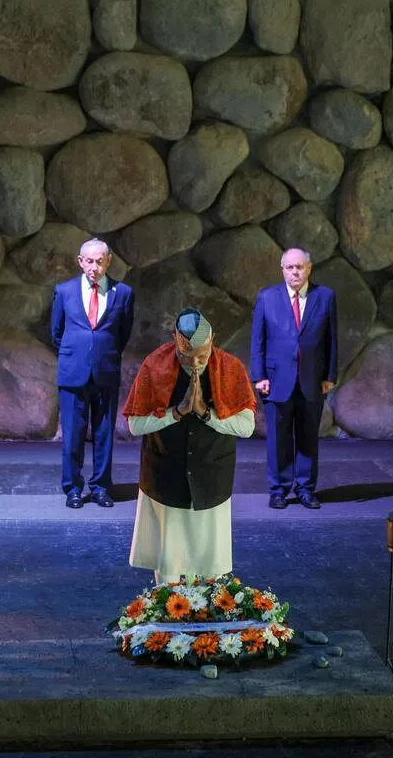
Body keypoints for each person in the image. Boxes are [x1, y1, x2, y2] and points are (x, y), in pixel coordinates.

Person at [122, 309, 257, 584]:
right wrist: (177, 412)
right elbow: (135, 426)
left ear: (213, 341)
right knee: (169, 561)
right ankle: (166, 617)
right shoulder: (154, 366)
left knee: (210, 562)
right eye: (186, 356)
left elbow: (247, 427)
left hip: (212, 475)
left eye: (202, 356)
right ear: (175, 340)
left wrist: (207, 414)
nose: (194, 364)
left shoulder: (231, 369)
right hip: (165, 476)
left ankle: (208, 619)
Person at [250, 247, 338, 510]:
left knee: (308, 437)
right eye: (290, 267)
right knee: (278, 439)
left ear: (309, 268)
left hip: (312, 380)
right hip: (276, 381)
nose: (295, 271)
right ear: (283, 270)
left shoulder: (325, 297)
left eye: (300, 266)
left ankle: (306, 488)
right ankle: (278, 489)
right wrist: (259, 376)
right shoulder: (267, 297)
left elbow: (331, 339)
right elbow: (258, 340)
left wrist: (330, 375)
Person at [50, 238, 135, 509]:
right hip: (73, 373)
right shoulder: (64, 292)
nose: (94, 267)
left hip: (106, 371)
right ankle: (73, 488)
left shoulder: (123, 293)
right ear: (80, 261)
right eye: (89, 261)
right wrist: (78, 354)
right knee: (73, 434)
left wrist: (102, 353)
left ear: (108, 261)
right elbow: (56, 333)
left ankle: (100, 487)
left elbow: (123, 334)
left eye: (100, 261)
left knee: (104, 433)